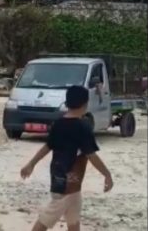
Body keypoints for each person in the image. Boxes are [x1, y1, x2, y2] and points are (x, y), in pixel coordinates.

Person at [20, 85, 113, 231]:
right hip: (69, 182)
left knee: (73, 220)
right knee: (46, 218)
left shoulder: (58, 124)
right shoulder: (83, 127)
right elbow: (91, 155)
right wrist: (107, 174)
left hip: (61, 177)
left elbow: (47, 147)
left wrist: (31, 164)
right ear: (85, 104)